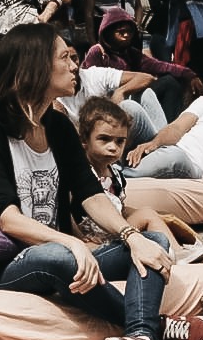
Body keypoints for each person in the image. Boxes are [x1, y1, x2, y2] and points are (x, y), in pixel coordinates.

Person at [0, 23, 203, 340]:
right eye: (64, 57)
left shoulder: (60, 127)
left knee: (152, 242)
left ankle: (140, 338)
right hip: (10, 263)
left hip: (68, 257)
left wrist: (130, 236)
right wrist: (71, 243)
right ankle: (156, 326)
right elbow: (8, 219)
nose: (74, 65)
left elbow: (90, 193)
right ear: (35, 65)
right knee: (60, 256)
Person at [74, 97, 183, 259]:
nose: (113, 147)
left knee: (148, 213)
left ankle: (176, 253)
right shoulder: (80, 172)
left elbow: (120, 207)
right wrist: (79, 238)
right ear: (84, 140)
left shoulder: (116, 176)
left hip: (115, 233)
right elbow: (66, 209)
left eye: (119, 141)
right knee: (147, 214)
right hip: (88, 241)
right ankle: (180, 255)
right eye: (104, 139)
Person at [83, 6, 203, 122]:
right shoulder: (97, 52)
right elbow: (88, 83)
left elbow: (161, 66)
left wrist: (190, 75)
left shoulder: (132, 53)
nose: (126, 36)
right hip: (105, 102)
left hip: (130, 95)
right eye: (121, 32)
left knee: (170, 81)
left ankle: (168, 127)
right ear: (108, 32)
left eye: (129, 32)